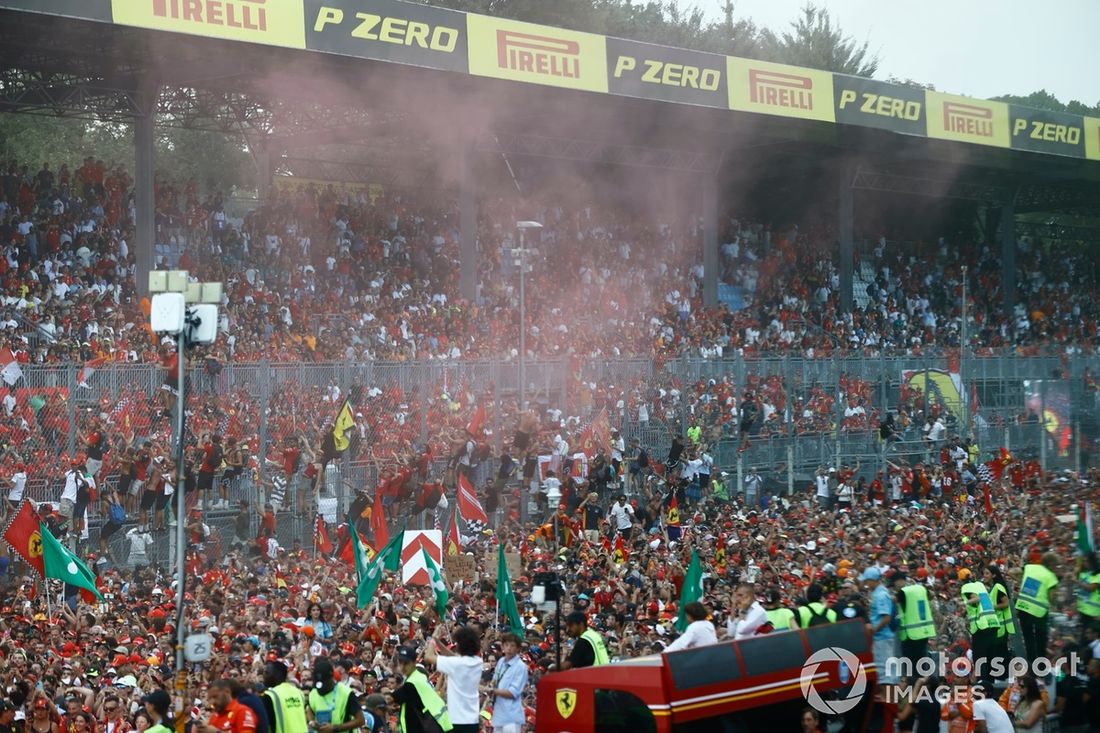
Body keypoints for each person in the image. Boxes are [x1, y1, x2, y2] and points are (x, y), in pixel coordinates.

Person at [424, 626, 482, 733]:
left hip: (456, 720)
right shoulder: (477, 662)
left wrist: (433, 639)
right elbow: (453, 657)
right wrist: (438, 642)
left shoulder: (456, 664)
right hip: (472, 720)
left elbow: (428, 657)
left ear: (460, 645)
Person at [391, 646, 452, 733]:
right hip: (438, 726)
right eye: (400, 663)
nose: (403, 667)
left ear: (414, 663)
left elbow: (390, 699)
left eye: (406, 663)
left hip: (434, 727)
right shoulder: (418, 677)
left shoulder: (413, 682)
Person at [1014, 553, 1059, 667]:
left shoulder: (1029, 567)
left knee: (1028, 638)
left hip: (1023, 608)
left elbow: (1011, 571)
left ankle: (1031, 665)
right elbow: (1052, 598)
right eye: (1056, 565)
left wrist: (1022, 583)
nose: (1056, 567)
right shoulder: (1050, 576)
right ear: (1051, 564)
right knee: (1041, 640)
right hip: (1039, 612)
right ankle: (1040, 667)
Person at [483, 633, 527, 733]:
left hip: (512, 716)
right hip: (499, 714)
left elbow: (512, 693)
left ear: (518, 648)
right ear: (502, 646)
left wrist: (491, 690)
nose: (509, 648)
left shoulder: (521, 667)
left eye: (512, 646)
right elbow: (495, 680)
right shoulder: (501, 661)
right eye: (506, 645)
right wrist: (490, 686)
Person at [305, 659, 362, 733]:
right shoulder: (313, 692)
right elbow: (309, 709)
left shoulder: (346, 693)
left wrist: (334, 728)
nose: (321, 687)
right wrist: (312, 722)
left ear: (332, 678)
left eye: (324, 683)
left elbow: (360, 720)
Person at [895, 572, 935, 674]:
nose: (895, 586)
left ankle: (916, 686)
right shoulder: (920, 589)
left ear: (900, 581)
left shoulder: (903, 592)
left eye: (895, 583)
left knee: (912, 668)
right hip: (923, 632)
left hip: (910, 635)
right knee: (922, 665)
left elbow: (894, 602)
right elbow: (931, 595)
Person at [261, 660, 308, 733]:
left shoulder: (270, 696)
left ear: (277, 675)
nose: (263, 675)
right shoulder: (298, 692)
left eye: (267, 672)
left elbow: (266, 726)